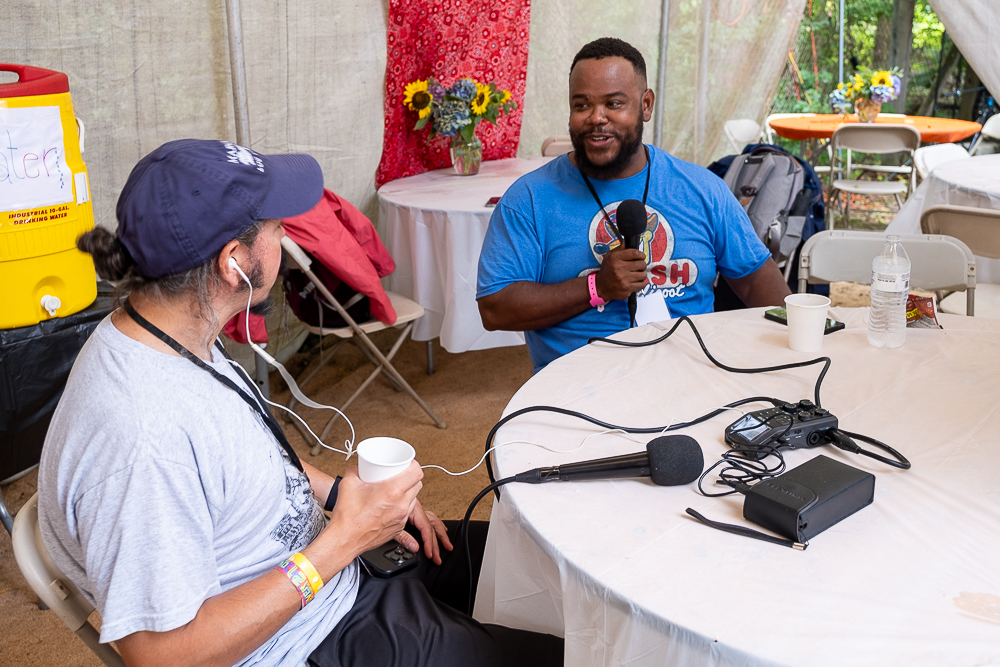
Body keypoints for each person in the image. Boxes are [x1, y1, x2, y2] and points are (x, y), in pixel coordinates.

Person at [37, 139, 562, 667]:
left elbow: (238, 461)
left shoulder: (167, 329)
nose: (286, 236)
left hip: (334, 566)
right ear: (234, 262)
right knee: (559, 655)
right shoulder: (139, 440)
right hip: (308, 638)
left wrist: (346, 499)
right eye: (275, 226)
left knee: (533, 561)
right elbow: (164, 656)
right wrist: (344, 540)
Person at [477, 37, 791, 371]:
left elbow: (756, 279)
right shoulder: (528, 199)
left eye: (613, 103)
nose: (597, 118)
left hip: (690, 378)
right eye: (581, 105)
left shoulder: (701, 189)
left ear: (645, 105)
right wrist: (596, 286)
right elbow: (495, 308)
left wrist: (798, 345)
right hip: (575, 392)